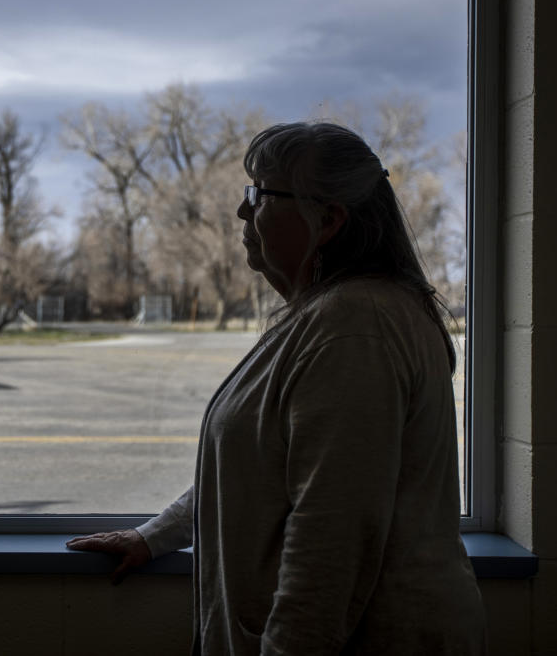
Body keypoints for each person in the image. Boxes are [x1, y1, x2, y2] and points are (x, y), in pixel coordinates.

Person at [67, 122, 486, 654]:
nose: (244, 212)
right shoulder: (327, 314)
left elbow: (332, 538)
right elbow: (265, 470)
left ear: (328, 219)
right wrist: (156, 537)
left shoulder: (356, 327)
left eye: (261, 195)